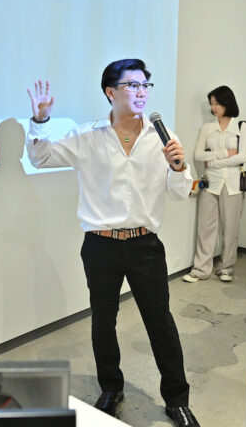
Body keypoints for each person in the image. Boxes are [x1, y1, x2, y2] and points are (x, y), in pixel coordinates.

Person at [26, 59, 200, 427]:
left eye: (145, 86)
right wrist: (41, 121)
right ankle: (111, 387)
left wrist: (180, 168)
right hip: (100, 246)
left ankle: (177, 399)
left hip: (145, 245)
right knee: (103, 320)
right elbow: (41, 157)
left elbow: (181, 194)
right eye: (132, 85)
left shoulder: (164, 138)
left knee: (160, 323)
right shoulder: (88, 136)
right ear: (111, 91)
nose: (141, 92)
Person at [183, 86, 246, 283]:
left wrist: (212, 161)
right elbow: (197, 155)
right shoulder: (207, 128)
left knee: (231, 228)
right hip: (211, 182)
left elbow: (242, 157)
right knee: (205, 227)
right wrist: (224, 154)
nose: (213, 108)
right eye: (211, 104)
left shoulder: (241, 126)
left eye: (217, 103)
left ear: (227, 103)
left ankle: (226, 267)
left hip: (233, 184)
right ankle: (200, 269)